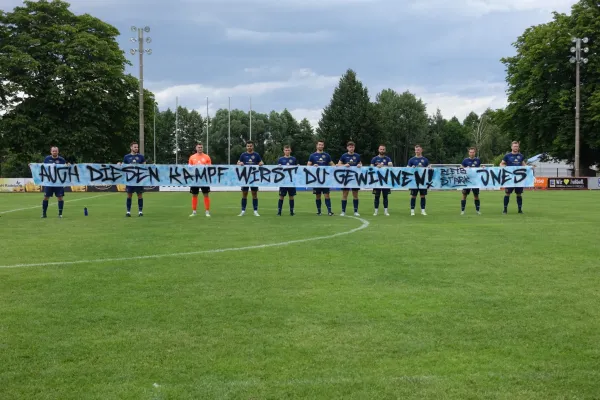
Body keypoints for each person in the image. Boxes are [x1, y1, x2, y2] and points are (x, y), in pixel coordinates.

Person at [307, 140, 335, 216]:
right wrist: (313, 166)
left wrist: (333, 169)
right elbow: (308, 166)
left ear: (323, 146)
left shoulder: (327, 155)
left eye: (322, 145)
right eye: (319, 145)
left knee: (327, 195)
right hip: (316, 179)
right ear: (316, 146)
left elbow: (332, 165)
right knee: (318, 195)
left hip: (325, 179)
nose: (320, 146)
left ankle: (329, 211)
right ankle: (319, 211)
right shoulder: (312, 156)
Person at [236, 140, 263, 216]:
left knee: (254, 194)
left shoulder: (256, 155)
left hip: (254, 178)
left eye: (250, 146)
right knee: (244, 194)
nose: (249, 147)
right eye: (248, 146)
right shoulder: (243, 155)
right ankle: (243, 211)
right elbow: (237, 163)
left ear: (253, 146)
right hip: (245, 178)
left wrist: (261, 163)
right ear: (246, 147)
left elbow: (261, 163)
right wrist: (239, 163)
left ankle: (255, 211)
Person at [500, 141, 527, 214]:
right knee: (507, 193)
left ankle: (520, 210)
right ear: (511, 147)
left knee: (519, 194)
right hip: (510, 178)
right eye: (514, 146)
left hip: (518, 179)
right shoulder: (507, 156)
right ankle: (505, 210)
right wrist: (505, 167)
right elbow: (501, 164)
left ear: (518, 147)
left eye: (517, 146)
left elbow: (524, 165)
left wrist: (529, 168)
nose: (516, 148)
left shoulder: (521, 156)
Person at [41, 146, 68, 218]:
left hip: (58, 182)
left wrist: (68, 166)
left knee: (60, 197)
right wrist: (32, 166)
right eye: (53, 151)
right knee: (46, 197)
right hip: (49, 182)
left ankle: (60, 214)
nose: (54, 152)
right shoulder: (47, 159)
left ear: (58, 151)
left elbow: (65, 170)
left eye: (56, 151)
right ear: (51, 152)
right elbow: (42, 167)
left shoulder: (61, 160)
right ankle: (44, 214)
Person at [120, 141, 145, 217]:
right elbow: (123, 166)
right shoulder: (126, 157)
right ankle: (128, 212)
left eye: (137, 147)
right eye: (135, 147)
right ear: (131, 148)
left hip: (138, 180)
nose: (136, 148)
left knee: (140, 195)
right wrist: (119, 165)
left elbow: (145, 167)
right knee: (129, 195)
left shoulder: (141, 157)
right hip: (130, 180)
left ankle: (140, 212)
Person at [337, 141, 362, 216]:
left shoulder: (357, 156)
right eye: (350, 147)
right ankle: (343, 211)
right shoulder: (344, 156)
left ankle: (355, 211)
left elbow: (361, 164)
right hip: (346, 178)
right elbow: (338, 164)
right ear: (347, 148)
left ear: (354, 148)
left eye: (353, 147)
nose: (351, 148)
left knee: (355, 194)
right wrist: (344, 165)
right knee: (345, 194)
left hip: (355, 178)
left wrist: (359, 165)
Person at [188, 143, 212, 217]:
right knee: (194, 195)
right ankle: (194, 212)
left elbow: (210, 167)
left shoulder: (207, 157)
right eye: (199, 147)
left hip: (204, 179)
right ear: (196, 148)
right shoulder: (192, 157)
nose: (200, 148)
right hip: (195, 179)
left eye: (201, 147)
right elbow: (189, 167)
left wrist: (204, 167)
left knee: (206, 194)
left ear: (203, 148)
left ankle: (207, 212)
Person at [370, 144, 393, 216]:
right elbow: (371, 168)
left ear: (385, 150)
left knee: (385, 196)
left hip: (385, 180)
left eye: (383, 149)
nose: (382, 150)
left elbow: (391, 166)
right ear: (378, 150)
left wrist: (385, 165)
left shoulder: (388, 159)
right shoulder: (374, 159)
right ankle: (376, 211)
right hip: (377, 181)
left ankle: (386, 211)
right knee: (376, 196)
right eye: (381, 149)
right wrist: (376, 167)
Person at [407, 144, 429, 216]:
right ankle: (412, 211)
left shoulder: (425, 160)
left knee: (422, 196)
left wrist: (429, 167)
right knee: (413, 196)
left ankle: (423, 210)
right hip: (414, 181)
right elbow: (407, 169)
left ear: (421, 150)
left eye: (418, 150)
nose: (417, 151)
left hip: (422, 181)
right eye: (416, 150)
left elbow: (428, 169)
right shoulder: (411, 160)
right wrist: (411, 168)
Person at [461, 147, 482, 215]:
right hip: (467, 180)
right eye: (470, 152)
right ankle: (462, 211)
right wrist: (465, 168)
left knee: (476, 195)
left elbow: (480, 169)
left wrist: (483, 168)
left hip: (475, 181)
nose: (472, 153)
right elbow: (461, 169)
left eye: (473, 152)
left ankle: (477, 210)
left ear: (475, 152)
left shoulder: (478, 160)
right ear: (468, 153)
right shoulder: (465, 160)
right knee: (464, 195)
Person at [277, 145, 297, 216]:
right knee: (281, 196)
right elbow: (278, 170)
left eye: (288, 150)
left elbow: (296, 169)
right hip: (283, 181)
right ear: (284, 151)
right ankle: (279, 211)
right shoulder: (280, 159)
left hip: (291, 181)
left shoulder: (293, 159)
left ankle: (291, 211)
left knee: (291, 196)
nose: (287, 151)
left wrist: (298, 166)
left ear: (290, 151)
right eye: (286, 150)